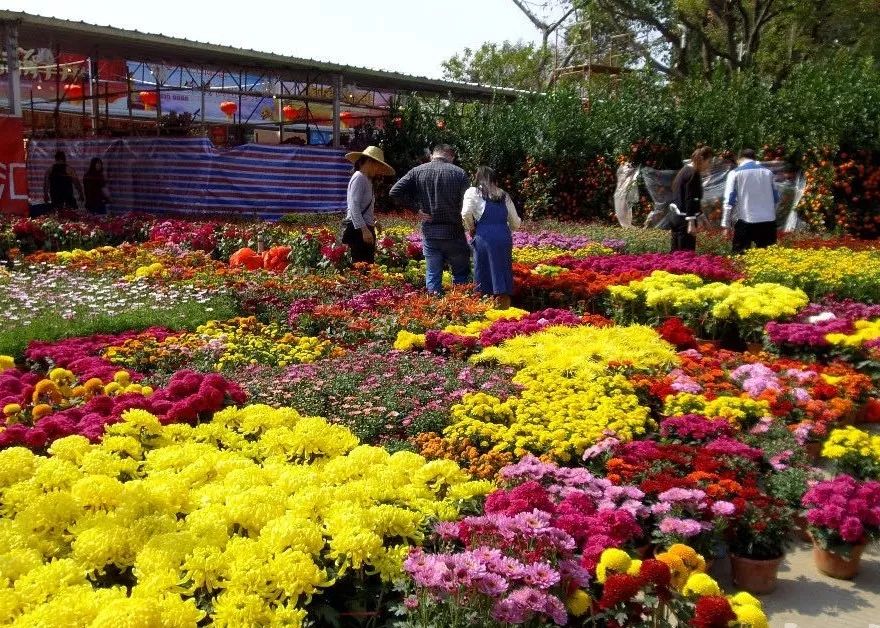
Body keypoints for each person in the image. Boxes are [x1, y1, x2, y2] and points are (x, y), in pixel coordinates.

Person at [389, 144, 470, 294]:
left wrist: (415, 209)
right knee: (460, 275)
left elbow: (394, 191)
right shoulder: (459, 173)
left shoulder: (417, 171)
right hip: (454, 232)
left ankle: (433, 309)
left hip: (430, 231)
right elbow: (469, 202)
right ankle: (461, 306)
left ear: (432, 155)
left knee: (433, 275)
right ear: (451, 157)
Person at [461, 166, 521, 309]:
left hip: (484, 235)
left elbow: (465, 213)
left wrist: (471, 228)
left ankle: (484, 306)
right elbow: (515, 222)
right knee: (502, 269)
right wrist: (505, 228)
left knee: (483, 269)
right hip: (503, 235)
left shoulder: (473, 192)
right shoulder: (503, 194)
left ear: (478, 177)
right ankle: (503, 306)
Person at [341, 145, 395, 264]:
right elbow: (354, 206)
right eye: (377, 166)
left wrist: (373, 221)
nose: (378, 171)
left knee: (367, 268)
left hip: (364, 227)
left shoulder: (366, 179)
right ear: (369, 162)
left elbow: (362, 207)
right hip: (358, 230)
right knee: (361, 267)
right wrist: (364, 230)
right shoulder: (359, 177)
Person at [722, 148, 779, 254]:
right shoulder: (768, 173)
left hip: (746, 220)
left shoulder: (735, 173)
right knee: (768, 258)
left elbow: (729, 201)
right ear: (755, 158)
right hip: (768, 222)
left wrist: (726, 225)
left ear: (740, 159)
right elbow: (776, 198)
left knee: (740, 258)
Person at [669, 146, 714, 251]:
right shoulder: (693, 173)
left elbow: (694, 200)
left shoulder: (685, 170)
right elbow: (690, 199)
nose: (709, 165)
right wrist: (691, 223)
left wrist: (702, 217)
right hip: (684, 220)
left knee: (675, 253)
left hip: (675, 217)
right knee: (685, 256)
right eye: (709, 161)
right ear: (702, 159)